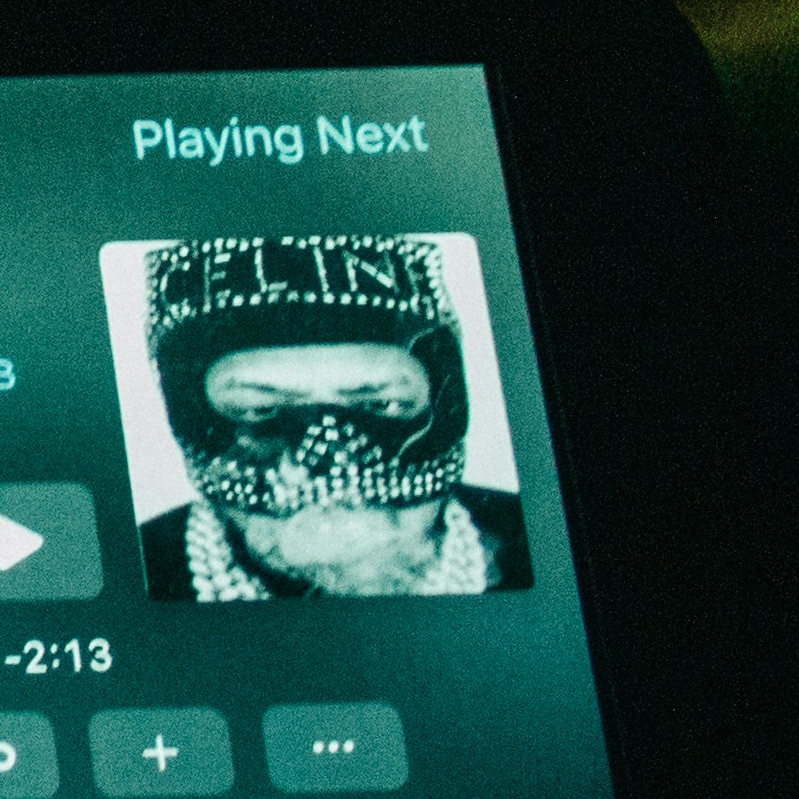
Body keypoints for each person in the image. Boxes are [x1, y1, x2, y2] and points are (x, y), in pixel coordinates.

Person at [129, 234, 535, 600]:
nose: (330, 465)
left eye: (381, 406)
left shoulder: (544, 539)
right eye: (260, 411)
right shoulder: (132, 570)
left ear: (446, 404)